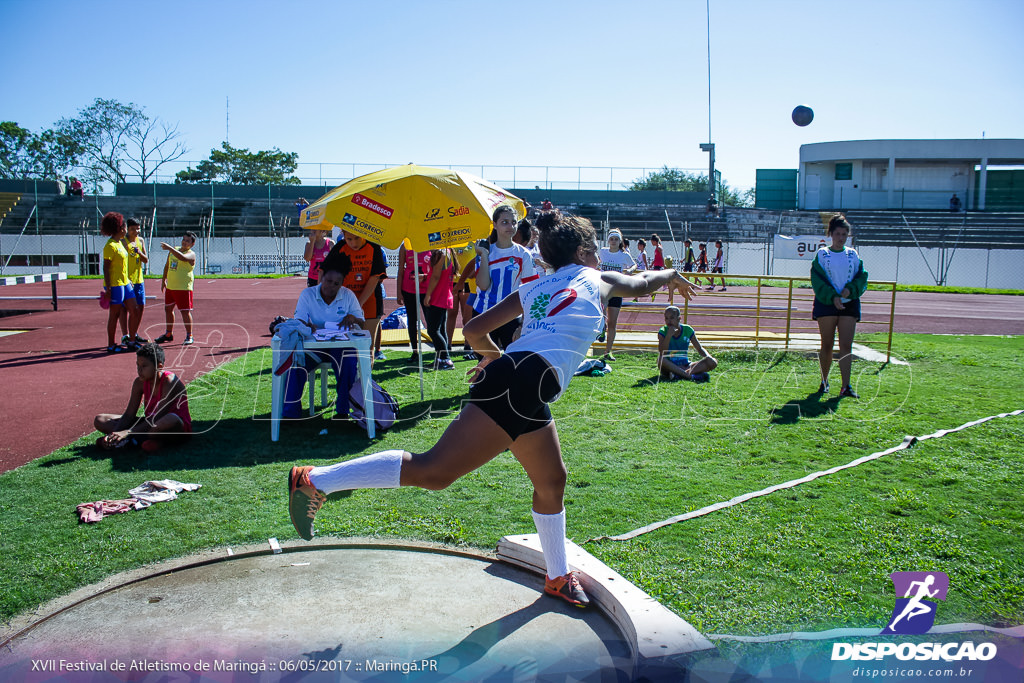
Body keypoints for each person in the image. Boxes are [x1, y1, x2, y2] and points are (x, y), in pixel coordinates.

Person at [287, 209, 698, 608]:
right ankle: (314, 478)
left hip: (521, 383)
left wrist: (493, 359)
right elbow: (643, 282)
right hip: (521, 382)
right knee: (433, 472)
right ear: (582, 255)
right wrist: (672, 275)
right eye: (593, 250)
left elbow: (472, 329)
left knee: (552, 481)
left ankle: (557, 577)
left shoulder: (536, 287)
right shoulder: (598, 277)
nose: (598, 257)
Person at [283, 252, 365, 419]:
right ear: (321, 276)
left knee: (349, 363)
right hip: (314, 349)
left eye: (337, 283)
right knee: (296, 364)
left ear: (342, 283)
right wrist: (307, 324)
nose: (331, 287)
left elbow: (361, 323)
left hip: (340, 347)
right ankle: (290, 413)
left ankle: (343, 411)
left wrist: (352, 318)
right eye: (328, 281)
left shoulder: (348, 296)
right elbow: (299, 320)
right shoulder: (308, 295)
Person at [94, 342, 192, 453]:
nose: (139, 370)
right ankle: (135, 441)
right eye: (138, 365)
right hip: (148, 424)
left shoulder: (169, 382)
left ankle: (134, 440)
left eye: (144, 366)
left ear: (159, 367)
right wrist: (115, 433)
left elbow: (159, 415)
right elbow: (129, 414)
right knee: (100, 419)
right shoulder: (139, 383)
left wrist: (127, 432)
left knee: (169, 419)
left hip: (172, 425)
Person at [811, 214, 868, 398]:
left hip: (849, 305)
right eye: (837, 233)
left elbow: (862, 278)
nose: (841, 238)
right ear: (831, 234)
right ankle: (824, 381)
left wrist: (849, 291)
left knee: (846, 345)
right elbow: (817, 280)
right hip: (826, 304)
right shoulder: (822, 254)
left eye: (844, 234)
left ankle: (846, 386)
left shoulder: (853, 254)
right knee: (826, 344)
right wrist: (832, 296)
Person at [470, 205, 538, 353]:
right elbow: (483, 285)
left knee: (513, 364)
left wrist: (522, 326)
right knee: (485, 366)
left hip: (511, 316)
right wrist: (485, 256)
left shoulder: (524, 254)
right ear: (494, 225)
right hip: (484, 313)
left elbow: (530, 291)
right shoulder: (485, 251)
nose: (510, 226)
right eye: (504, 222)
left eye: (514, 222)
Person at [326, 232, 387, 356]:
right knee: (346, 345)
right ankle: (350, 375)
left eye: (357, 238)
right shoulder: (339, 247)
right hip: (344, 303)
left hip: (371, 301)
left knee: (367, 346)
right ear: (343, 234)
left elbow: (375, 278)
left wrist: (356, 306)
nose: (354, 243)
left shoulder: (374, 247)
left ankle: (366, 375)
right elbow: (325, 272)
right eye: (349, 239)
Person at [100, 212, 140, 354]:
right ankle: (111, 344)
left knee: (134, 310)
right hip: (115, 284)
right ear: (119, 228)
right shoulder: (110, 246)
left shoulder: (120, 243)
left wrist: (128, 280)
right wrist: (109, 287)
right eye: (124, 227)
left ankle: (132, 341)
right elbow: (106, 267)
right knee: (115, 314)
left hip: (125, 282)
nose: (125, 229)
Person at [598, 229, 636, 361]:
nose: (613, 241)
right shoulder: (602, 251)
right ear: (608, 240)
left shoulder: (623, 255)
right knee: (600, 315)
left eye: (616, 239)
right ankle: (601, 328)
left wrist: (630, 270)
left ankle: (608, 352)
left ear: (620, 241)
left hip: (616, 290)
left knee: (612, 322)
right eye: (611, 239)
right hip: (603, 288)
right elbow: (595, 260)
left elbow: (634, 264)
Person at [156, 232, 197, 346]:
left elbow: (182, 257)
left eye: (187, 241)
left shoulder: (191, 254)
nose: (184, 242)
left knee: (184, 311)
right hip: (171, 286)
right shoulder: (175, 249)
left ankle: (189, 335)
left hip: (183, 288)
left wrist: (169, 247)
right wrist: (164, 279)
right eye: (183, 239)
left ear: (192, 244)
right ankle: (168, 334)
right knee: (168, 309)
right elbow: (167, 265)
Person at [657, 306, 717, 382]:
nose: (669, 321)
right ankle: (690, 376)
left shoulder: (688, 330)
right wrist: (668, 335)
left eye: (672, 318)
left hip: (686, 365)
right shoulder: (663, 331)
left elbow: (699, 348)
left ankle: (679, 374)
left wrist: (708, 356)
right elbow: (663, 352)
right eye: (666, 318)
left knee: (713, 361)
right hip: (669, 366)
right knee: (660, 359)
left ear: (679, 319)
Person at [396, 243, 433, 365]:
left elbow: (435, 269)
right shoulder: (405, 246)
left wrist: (426, 277)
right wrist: (398, 292)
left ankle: (438, 350)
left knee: (431, 320)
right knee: (412, 320)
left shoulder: (429, 243)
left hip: (426, 289)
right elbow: (400, 269)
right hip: (408, 289)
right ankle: (415, 352)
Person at [422, 247, 456, 370]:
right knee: (440, 329)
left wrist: (428, 295)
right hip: (442, 295)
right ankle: (440, 358)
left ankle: (445, 359)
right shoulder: (446, 252)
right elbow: (436, 275)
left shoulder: (442, 254)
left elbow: (436, 276)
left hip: (439, 296)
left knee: (433, 330)